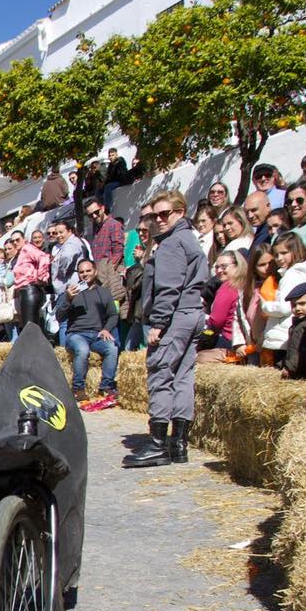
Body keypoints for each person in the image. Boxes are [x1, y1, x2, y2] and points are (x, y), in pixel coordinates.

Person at [124, 190, 208, 468]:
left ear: (180, 213)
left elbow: (168, 288)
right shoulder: (189, 239)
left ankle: (159, 444)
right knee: (183, 378)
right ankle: (179, 444)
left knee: (161, 374)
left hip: (176, 316)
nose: (158, 220)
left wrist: (159, 323)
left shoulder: (172, 243)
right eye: (153, 216)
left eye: (164, 214)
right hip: (192, 313)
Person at [57, 259, 119, 411]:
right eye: (81, 272)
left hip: (97, 334)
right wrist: (68, 299)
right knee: (82, 350)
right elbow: (59, 316)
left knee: (112, 348)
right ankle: (78, 388)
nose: (85, 274)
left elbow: (113, 315)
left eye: (88, 271)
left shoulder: (104, 292)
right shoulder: (72, 291)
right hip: (76, 334)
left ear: (95, 271)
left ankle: (106, 386)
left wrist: (106, 329)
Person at [260, 232, 306, 362]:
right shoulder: (301, 272)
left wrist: (265, 306)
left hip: (284, 335)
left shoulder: (292, 275)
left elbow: (285, 307)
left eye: (284, 253)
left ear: (296, 251)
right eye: (276, 255)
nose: (279, 258)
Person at [198, 251, 243, 363]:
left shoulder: (228, 287)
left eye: (224, 266)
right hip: (239, 339)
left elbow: (216, 321)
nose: (219, 271)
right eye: (217, 267)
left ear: (237, 266)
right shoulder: (243, 284)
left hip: (226, 340)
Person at [85, 197, 127, 307]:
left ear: (102, 208)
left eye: (96, 212)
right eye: (90, 215)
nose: (94, 216)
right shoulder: (96, 228)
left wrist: (109, 271)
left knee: (116, 310)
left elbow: (118, 251)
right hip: (101, 276)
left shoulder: (114, 225)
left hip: (112, 275)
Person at [6, 230, 51, 333]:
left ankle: (35, 348)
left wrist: (41, 277)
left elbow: (43, 258)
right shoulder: (21, 253)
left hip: (30, 290)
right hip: (25, 291)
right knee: (31, 326)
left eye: (17, 240)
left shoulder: (28, 248)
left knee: (29, 327)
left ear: (24, 240)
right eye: (13, 241)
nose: (15, 243)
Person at [240, 249, 279, 366]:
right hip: (251, 345)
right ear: (254, 268)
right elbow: (239, 317)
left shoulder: (278, 286)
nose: (267, 268)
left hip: (270, 344)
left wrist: (261, 341)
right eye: (262, 265)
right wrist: (239, 343)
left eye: (270, 263)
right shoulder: (247, 290)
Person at [120, 241, 150, 353]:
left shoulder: (152, 262)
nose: (134, 251)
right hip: (139, 311)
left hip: (149, 310)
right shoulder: (138, 267)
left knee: (149, 346)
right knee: (128, 348)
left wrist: (141, 262)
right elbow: (131, 285)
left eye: (139, 249)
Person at [102, 147, 131, 212]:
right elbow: (109, 176)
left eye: (113, 155)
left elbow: (120, 174)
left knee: (108, 187)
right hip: (113, 181)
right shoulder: (110, 165)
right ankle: (102, 206)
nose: (111, 157)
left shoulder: (120, 161)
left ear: (116, 155)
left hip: (120, 181)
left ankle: (107, 207)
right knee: (99, 190)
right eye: (109, 156)